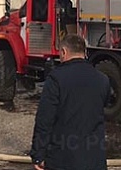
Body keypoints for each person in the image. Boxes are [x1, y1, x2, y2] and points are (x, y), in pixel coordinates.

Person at [29, 34, 110, 170]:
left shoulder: (56, 79)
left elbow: (45, 120)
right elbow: (102, 108)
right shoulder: (102, 79)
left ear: (63, 52)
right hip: (95, 158)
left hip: (63, 159)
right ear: (85, 53)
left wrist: (38, 154)